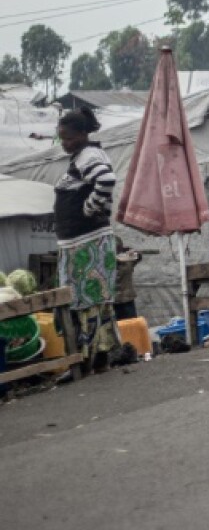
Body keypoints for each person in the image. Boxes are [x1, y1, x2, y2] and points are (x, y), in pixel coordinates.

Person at [53, 107, 120, 373]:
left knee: (88, 302)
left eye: (69, 138)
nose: (65, 143)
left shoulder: (88, 155)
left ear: (82, 134)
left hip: (88, 242)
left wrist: (89, 208)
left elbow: (106, 180)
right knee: (88, 302)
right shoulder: (82, 156)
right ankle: (96, 355)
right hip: (80, 242)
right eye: (61, 139)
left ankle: (93, 356)